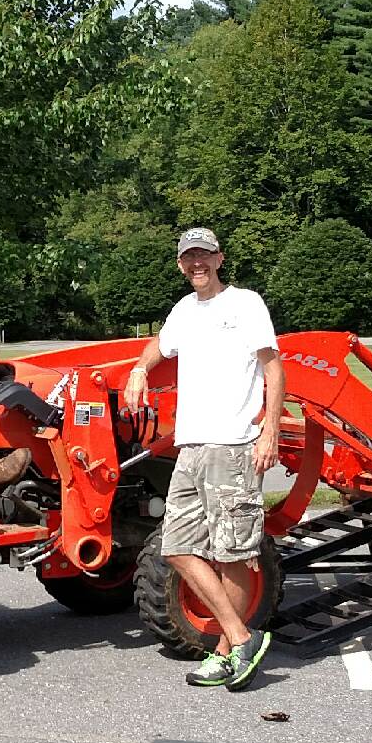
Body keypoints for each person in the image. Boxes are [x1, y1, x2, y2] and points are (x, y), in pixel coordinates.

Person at [120, 227, 284, 690]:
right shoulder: (183, 310)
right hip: (190, 447)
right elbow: (160, 344)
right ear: (180, 264)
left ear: (219, 259)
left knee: (232, 555)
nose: (197, 263)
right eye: (189, 256)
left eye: (205, 255)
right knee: (175, 547)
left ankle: (227, 651)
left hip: (232, 445)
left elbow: (273, 367)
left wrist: (270, 431)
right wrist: (139, 369)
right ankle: (242, 636)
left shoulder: (245, 304)